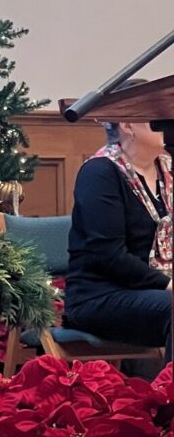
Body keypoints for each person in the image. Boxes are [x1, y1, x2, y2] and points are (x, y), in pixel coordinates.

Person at [65, 116, 173, 358]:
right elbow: (109, 256)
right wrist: (168, 284)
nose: (167, 123)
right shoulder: (99, 172)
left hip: (155, 293)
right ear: (127, 125)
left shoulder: (168, 169)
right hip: (100, 295)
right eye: (157, 118)